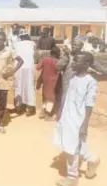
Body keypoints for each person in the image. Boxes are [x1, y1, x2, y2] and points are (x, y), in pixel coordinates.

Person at [54, 52, 100, 186]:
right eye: (73, 61)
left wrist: (84, 124)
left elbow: (89, 104)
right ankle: (92, 159)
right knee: (72, 145)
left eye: (76, 61)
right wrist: (60, 111)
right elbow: (68, 97)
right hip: (66, 116)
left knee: (71, 148)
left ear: (86, 64)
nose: (72, 63)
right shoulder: (73, 77)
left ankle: (72, 178)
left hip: (77, 120)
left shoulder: (90, 82)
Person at [55, 39, 107, 118]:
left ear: (81, 46)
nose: (73, 46)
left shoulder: (85, 57)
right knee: (65, 100)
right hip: (68, 84)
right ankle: (62, 117)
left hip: (80, 83)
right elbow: (58, 67)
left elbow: (98, 66)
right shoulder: (68, 56)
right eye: (73, 44)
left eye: (76, 45)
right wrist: (64, 58)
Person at [14, 33, 36, 116]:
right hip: (29, 68)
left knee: (19, 87)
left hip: (19, 67)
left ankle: (19, 107)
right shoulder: (32, 43)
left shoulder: (17, 44)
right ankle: (30, 108)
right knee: (29, 87)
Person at [36, 46, 61, 120]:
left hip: (45, 81)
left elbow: (37, 67)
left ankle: (43, 112)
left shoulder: (45, 59)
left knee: (45, 96)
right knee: (51, 98)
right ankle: (47, 114)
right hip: (54, 82)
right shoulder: (58, 61)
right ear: (58, 54)